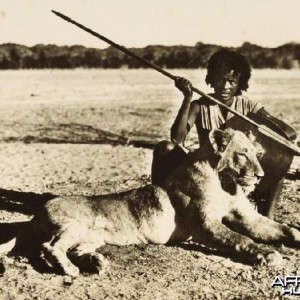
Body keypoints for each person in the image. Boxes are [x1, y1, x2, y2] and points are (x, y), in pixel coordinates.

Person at [151, 48, 297, 220]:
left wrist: (259, 130)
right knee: (165, 148)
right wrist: (187, 98)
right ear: (211, 80)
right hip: (207, 170)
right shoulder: (200, 106)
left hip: (238, 170)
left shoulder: (249, 107)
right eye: (221, 80)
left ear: (239, 83)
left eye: (232, 81)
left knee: (279, 164)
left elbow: (288, 132)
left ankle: (268, 216)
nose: (226, 86)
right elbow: (177, 139)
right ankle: (157, 202)